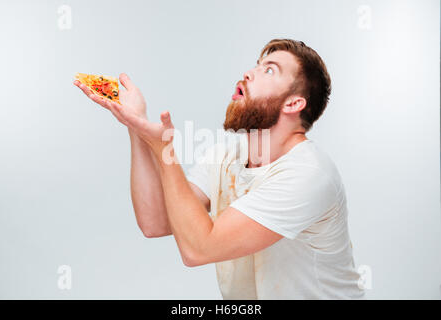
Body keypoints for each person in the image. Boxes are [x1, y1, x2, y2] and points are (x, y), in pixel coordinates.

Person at [74, 38, 366, 300]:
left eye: (269, 70)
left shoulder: (308, 174)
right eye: (256, 64)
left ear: (294, 103)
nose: (248, 73)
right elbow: (157, 221)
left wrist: (164, 149)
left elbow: (198, 249)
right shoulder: (229, 154)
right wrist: (136, 125)